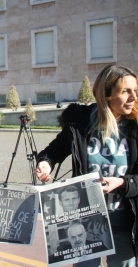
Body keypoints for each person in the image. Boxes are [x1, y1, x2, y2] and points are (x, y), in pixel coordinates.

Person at [35, 64, 138, 266]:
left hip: (125, 223)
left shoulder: (135, 127)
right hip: (84, 223)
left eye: (135, 90)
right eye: (126, 91)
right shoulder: (79, 124)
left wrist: (122, 183)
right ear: (106, 94)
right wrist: (46, 164)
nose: (133, 97)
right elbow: (53, 151)